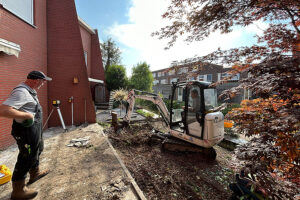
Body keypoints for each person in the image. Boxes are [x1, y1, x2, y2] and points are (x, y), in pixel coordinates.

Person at [0, 71, 52, 200]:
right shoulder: (21, 92)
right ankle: (18, 190)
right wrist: (26, 115)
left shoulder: (30, 91)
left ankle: (35, 173)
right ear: (35, 80)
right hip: (25, 132)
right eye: (42, 81)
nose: (43, 84)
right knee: (26, 156)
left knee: (38, 149)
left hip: (33, 129)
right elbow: (3, 110)